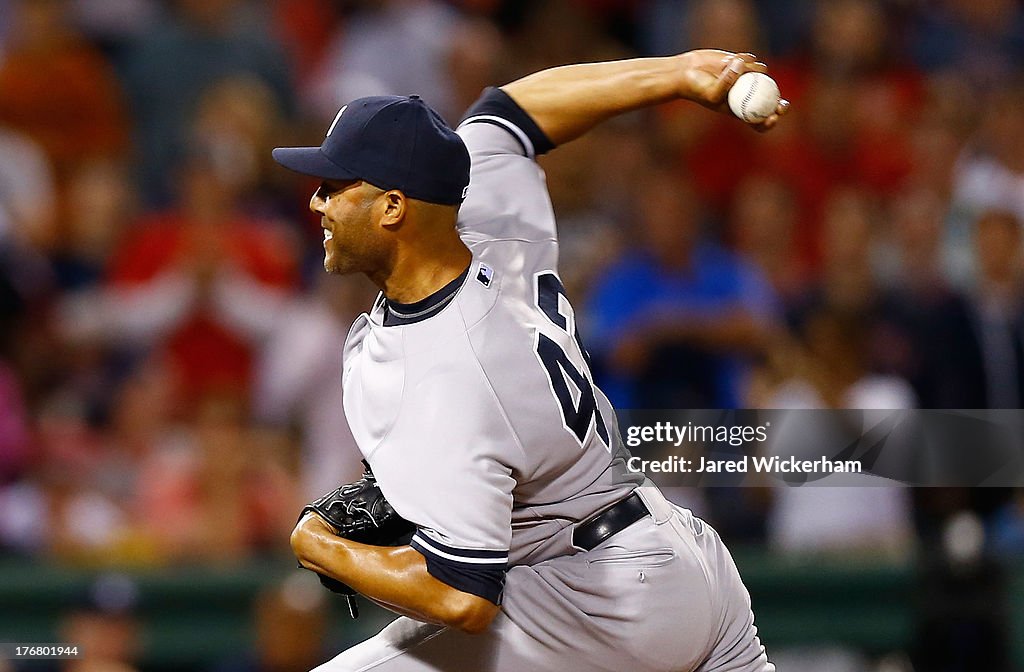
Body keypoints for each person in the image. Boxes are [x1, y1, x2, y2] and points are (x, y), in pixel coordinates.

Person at [281, 50, 786, 672]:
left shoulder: (448, 372)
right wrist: (677, 75)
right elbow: (511, 111)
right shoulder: (484, 214)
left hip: (593, 602)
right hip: (681, 555)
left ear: (392, 208)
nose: (316, 203)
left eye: (335, 187)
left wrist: (320, 546)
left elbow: (462, 597)